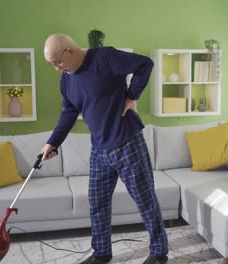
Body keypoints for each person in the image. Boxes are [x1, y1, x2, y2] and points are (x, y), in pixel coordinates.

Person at [41, 34, 169, 264]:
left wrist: (132, 96)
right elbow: (69, 112)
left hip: (127, 141)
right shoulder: (66, 80)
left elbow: (144, 64)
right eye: (51, 64)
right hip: (99, 149)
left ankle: (159, 252)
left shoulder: (104, 57)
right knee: (97, 201)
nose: (56, 68)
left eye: (57, 62)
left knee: (145, 198)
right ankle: (102, 253)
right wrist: (53, 142)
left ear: (69, 51)